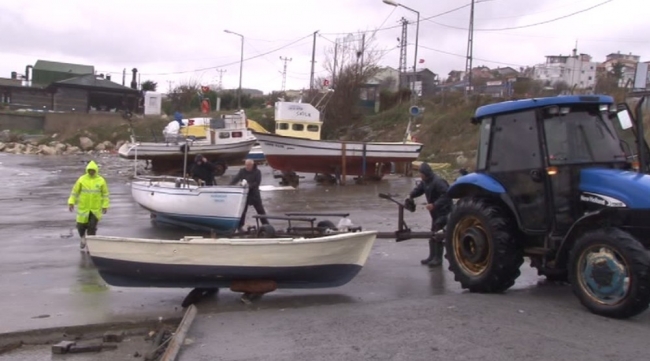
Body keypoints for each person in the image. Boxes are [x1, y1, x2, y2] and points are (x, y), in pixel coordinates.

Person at [407, 162, 453, 267]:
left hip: (444, 211)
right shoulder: (425, 182)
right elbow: (419, 190)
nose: (420, 175)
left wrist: (434, 205)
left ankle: (438, 259)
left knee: (438, 233)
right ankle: (432, 256)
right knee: (433, 233)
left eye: (420, 173)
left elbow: (447, 195)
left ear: (425, 173)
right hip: (435, 213)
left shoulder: (438, 181)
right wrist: (411, 195)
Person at [68, 160, 110, 250]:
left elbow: (105, 194)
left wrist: (105, 205)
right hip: (83, 208)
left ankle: (90, 247)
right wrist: (71, 202)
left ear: (96, 170)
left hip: (95, 209)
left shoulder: (101, 180)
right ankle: (83, 238)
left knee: (92, 228)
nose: (91, 172)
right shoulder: (82, 179)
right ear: (87, 170)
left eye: (93, 170)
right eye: (90, 170)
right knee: (80, 226)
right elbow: (75, 192)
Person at [230, 159, 269, 232]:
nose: (247, 167)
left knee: (260, 210)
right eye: (246, 165)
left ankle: (266, 224)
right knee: (243, 211)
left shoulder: (257, 172)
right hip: (245, 194)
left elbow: (257, 183)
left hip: (254, 194)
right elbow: (236, 179)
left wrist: (249, 186)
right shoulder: (242, 171)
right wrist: (229, 186)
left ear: (252, 165)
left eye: (248, 165)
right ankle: (240, 226)